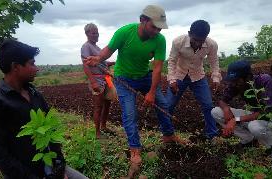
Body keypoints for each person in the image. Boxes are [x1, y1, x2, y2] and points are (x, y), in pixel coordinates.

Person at [85, 5, 186, 168]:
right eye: (154, 27)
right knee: (130, 114)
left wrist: (152, 92)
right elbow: (108, 51)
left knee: (163, 104)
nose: (156, 32)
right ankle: (134, 148)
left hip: (145, 76)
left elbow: (158, 67)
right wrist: (98, 59)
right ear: (142, 20)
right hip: (124, 78)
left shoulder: (160, 40)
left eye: (160, 29)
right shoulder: (124, 32)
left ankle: (168, 135)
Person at [0, 40, 89, 179]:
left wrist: (60, 168)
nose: (36, 68)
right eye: (32, 63)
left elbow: (51, 132)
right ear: (16, 67)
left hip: (51, 169)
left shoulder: (35, 94)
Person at [166, 20, 221, 139]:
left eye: (201, 41)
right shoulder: (178, 42)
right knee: (169, 105)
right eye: (195, 40)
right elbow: (172, 61)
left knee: (208, 105)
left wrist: (216, 77)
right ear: (189, 33)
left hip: (198, 76)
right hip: (179, 75)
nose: (198, 43)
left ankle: (212, 134)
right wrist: (172, 80)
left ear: (206, 37)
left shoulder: (212, 45)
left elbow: (214, 62)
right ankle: (167, 133)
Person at [211, 60, 272, 148]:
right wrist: (226, 109)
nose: (234, 84)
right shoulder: (237, 84)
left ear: (247, 77)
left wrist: (235, 120)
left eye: (237, 80)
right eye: (232, 81)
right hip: (255, 116)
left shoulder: (264, 80)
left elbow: (266, 112)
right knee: (216, 112)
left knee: (254, 126)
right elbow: (222, 100)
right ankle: (248, 139)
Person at [81, 23, 116, 139]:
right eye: (93, 33)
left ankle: (104, 127)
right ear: (87, 34)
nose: (96, 35)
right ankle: (97, 133)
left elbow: (103, 63)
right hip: (96, 80)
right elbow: (86, 66)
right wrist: (93, 82)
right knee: (98, 106)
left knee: (107, 104)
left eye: (97, 32)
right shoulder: (86, 47)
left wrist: (116, 62)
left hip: (105, 79)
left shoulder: (97, 48)